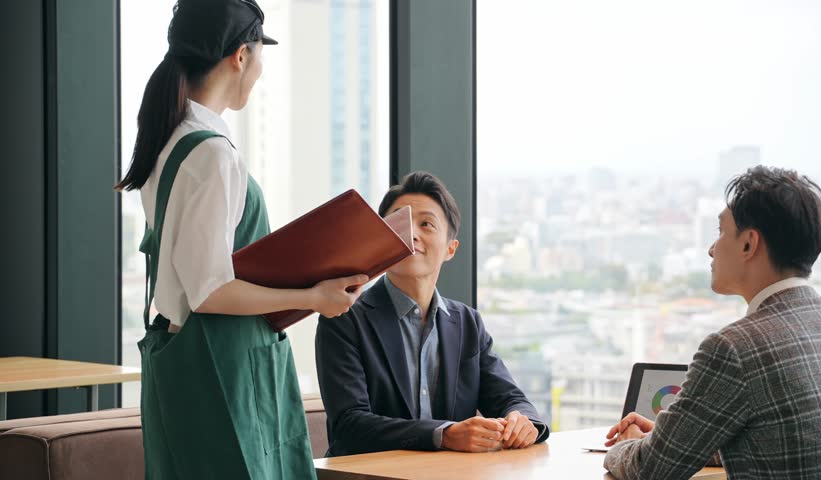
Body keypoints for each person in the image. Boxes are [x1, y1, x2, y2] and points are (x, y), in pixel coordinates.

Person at [115, 1, 367, 478]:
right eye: (260, 54)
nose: (261, 71)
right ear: (239, 56)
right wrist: (313, 297)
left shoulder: (168, 139)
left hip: (186, 363)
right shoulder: (212, 155)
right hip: (224, 369)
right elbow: (210, 291)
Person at [603, 166, 821, 479]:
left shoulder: (733, 348)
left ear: (748, 244)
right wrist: (677, 439)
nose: (711, 248)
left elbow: (650, 468)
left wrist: (625, 446)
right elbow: (787, 437)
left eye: (721, 232)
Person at [315, 171, 550, 457]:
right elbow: (349, 424)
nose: (411, 233)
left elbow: (509, 398)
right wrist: (445, 434)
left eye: (426, 224)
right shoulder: (344, 317)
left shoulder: (467, 323)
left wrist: (522, 420)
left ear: (451, 249)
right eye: (398, 223)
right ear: (379, 239)